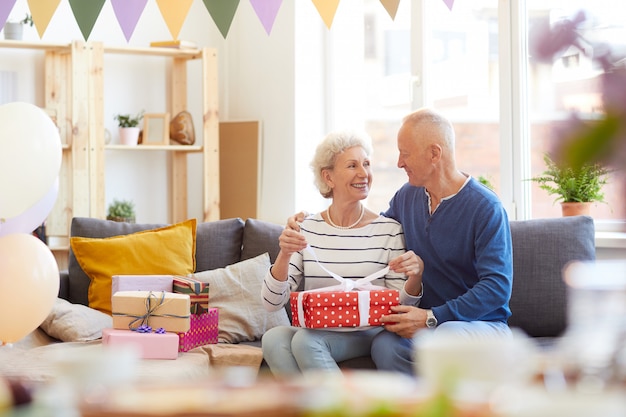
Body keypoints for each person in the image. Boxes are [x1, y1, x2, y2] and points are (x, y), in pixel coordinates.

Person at [287, 108, 513, 376]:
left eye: (405, 153)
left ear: (434, 154)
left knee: (446, 335)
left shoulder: (486, 207)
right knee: (385, 344)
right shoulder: (407, 197)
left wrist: (433, 316)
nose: (399, 162)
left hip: (478, 325)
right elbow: (369, 232)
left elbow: (497, 288)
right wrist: (313, 222)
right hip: (426, 323)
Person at [261, 130, 424, 376]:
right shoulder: (308, 228)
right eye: (352, 165)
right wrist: (284, 254)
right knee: (273, 338)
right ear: (328, 177)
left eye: (366, 164)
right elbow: (271, 303)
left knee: (306, 341)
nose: (363, 173)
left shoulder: (388, 229)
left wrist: (415, 277)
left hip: (369, 331)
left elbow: (401, 304)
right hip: (318, 327)